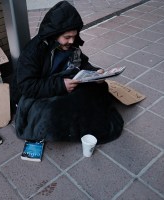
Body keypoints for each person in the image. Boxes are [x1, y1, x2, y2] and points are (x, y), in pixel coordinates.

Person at [11, 1, 124, 144]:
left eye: (74, 36)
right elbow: (27, 86)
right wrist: (60, 85)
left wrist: (96, 73)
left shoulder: (72, 45)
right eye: (67, 37)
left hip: (65, 82)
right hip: (41, 91)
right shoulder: (34, 51)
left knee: (99, 88)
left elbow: (82, 63)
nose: (72, 41)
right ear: (54, 34)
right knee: (54, 110)